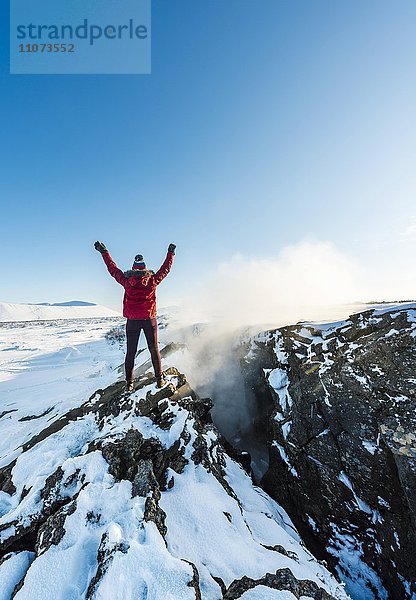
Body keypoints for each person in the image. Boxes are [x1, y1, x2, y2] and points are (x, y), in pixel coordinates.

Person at [94, 241, 176, 391]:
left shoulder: (126, 281)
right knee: (154, 349)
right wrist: (170, 253)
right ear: (145, 268)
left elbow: (112, 268)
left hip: (132, 322)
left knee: (130, 352)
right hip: (149, 320)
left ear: (133, 267)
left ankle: (129, 383)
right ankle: (160, 380)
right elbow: (166, 269)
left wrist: (104, 251)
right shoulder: (152, 280)